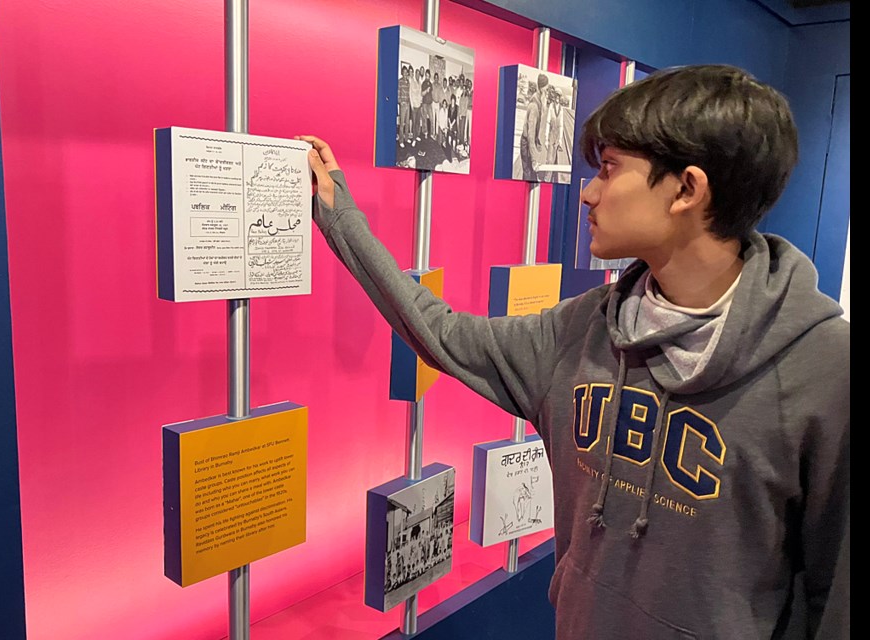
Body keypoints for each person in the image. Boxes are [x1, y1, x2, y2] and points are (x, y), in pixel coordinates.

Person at [298, 63, 849, 639]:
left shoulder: (825, 370)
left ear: (687, 188)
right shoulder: (581, 330)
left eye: (609, 170)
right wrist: (341, 218)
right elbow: (442, 334)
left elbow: (835, 596)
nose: (588, 192)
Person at [520, 74, 549, 181]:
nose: (546, 93)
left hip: (530, 143)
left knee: (532, 176)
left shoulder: (539, 101)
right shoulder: (534, 107)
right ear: (541, 88)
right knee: (528, 177)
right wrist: (534, 159)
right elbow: (530, 135)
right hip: (527, 143)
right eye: (545, 90)